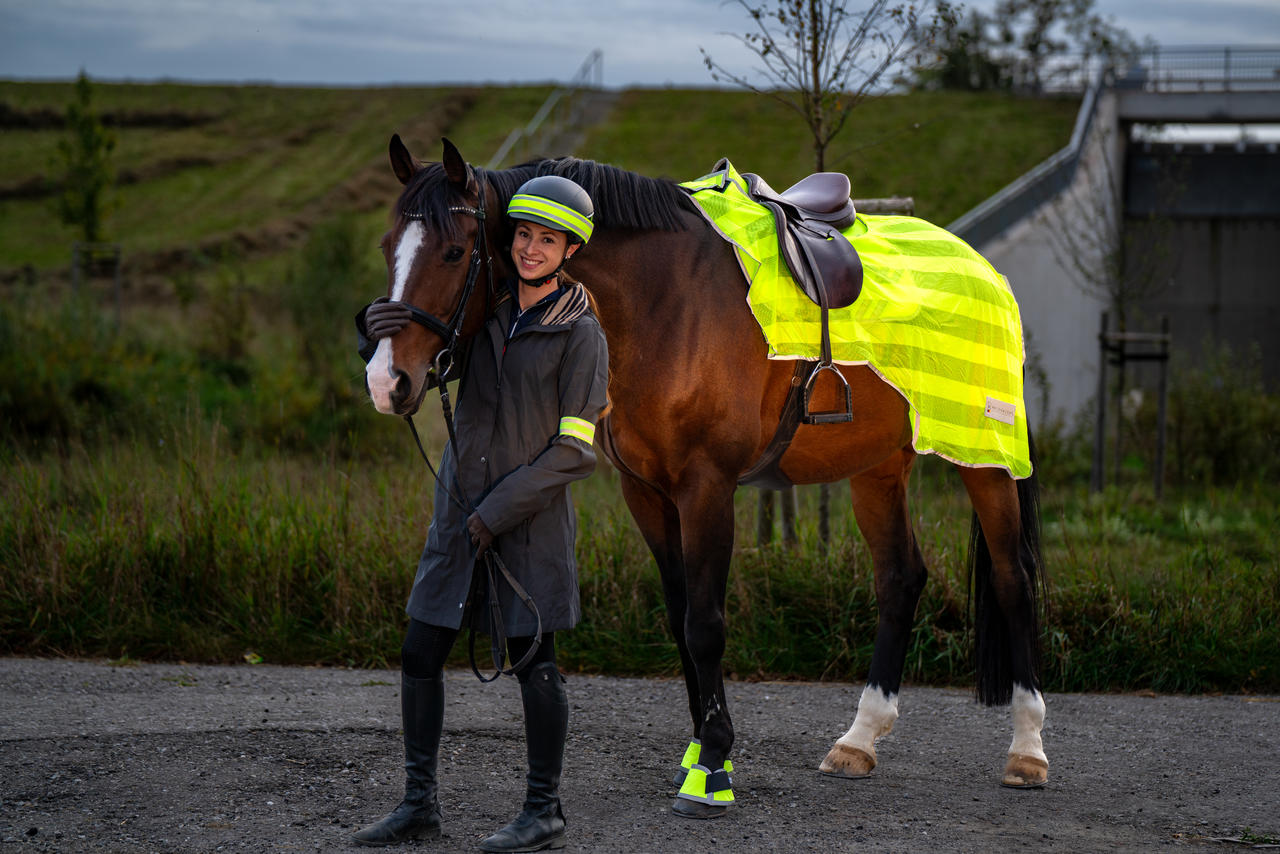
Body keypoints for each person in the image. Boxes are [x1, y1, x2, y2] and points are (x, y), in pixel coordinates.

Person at [352, 175, 609, 851]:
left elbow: (577, 453)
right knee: (418, 651)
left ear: (569, 251)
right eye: (523, 234)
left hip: (528, 524)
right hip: (457, 517)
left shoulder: (582, 335)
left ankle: (544, 809)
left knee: (535, 662)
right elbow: (420, 364)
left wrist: (498, 510)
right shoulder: (487, 321)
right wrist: (372, 333)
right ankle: (418, 804)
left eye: (546, 239)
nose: (530, 248)